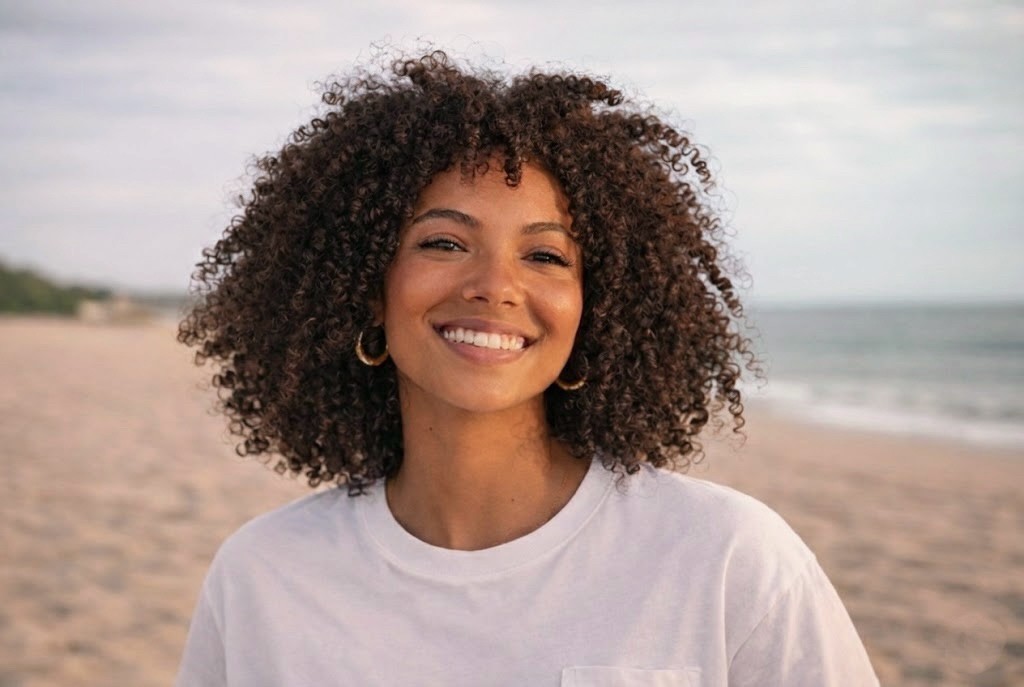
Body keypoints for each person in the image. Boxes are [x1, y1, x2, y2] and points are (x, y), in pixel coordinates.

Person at [175, 50, 878, 686]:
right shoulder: (262, 577)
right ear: (363, 286)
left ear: (594, 308)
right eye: (445, 242)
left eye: (545, 255)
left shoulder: (729, 560)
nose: (495, 285)